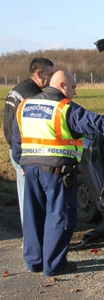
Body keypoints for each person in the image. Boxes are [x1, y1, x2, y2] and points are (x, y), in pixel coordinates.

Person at [11, 70, 104, 276]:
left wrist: (20, 159)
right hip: (56, 171)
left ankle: (34, 262)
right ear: (62, 85)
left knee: (34, 215)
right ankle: (54, 265)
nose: (75, 92)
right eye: (73, 87)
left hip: (30, 169)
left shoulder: (25, 105)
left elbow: (16, 137)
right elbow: (96, 123)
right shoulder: (64, 108)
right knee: (60, 217)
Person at [3, 57, 55, 227]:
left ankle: (31, 238)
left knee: (25, 197)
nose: (52, 78)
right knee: (32, 201)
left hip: (16, 149)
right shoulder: (33, 96)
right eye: (50, 74)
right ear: (39, 74)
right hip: (27, 153)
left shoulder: (16, 90)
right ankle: (32, 241)